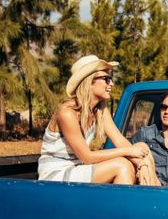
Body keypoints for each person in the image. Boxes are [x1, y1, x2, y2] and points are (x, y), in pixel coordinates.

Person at [38, 54, 160, 186]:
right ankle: (124, 206)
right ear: (89, 82)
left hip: (78, 167)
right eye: (107, 79)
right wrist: (129, 152)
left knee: (142, 147)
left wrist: (142, 164)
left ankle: (158, 194)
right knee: (122, 165)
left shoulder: (100, 110)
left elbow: (119, 141)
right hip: (56, 173)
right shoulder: (67, 113)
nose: (111, 84)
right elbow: (87, 157)